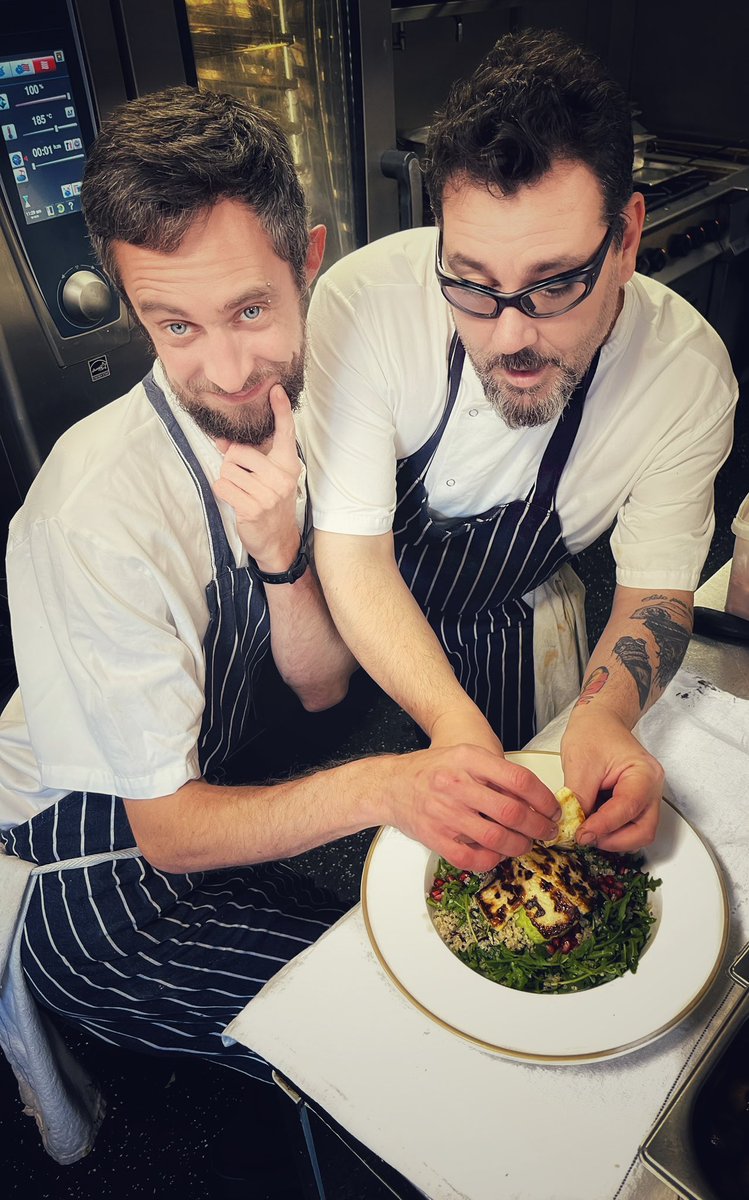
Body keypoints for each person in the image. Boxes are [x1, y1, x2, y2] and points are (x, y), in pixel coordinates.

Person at [0, 85, 562, 1107]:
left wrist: (278, 557)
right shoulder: (94, 515)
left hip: (224, 778)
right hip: (97, 880)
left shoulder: (311, 406)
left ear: (307, 259)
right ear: (133, 307)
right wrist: (394, 785)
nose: (226, 369)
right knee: (414, 1045)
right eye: (174, 324)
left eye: (248, 310)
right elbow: (167, 834)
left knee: (473, 969)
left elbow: (318, 692)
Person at [300, 29, 738, 855]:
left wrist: (604, 715)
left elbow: (652, 589)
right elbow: (354, 554)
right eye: (470, 284)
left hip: (508, 624)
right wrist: (454, 727)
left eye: (555, 283)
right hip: (347, 620)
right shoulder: (365, 307)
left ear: (628, 235)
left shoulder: (685, 374)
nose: (507, 337)